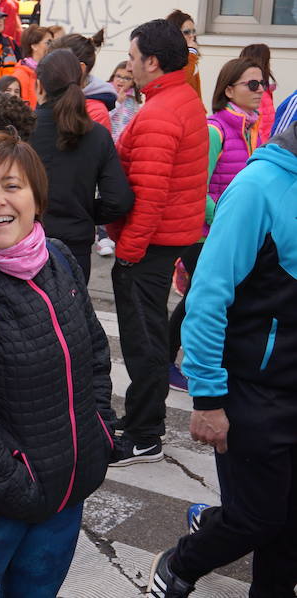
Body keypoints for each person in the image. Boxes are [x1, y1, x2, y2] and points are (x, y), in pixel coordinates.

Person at [0, 131, 115, 598]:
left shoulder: (58, 258)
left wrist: (99, 433)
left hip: (65, 493)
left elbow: (95, 353)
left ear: (37, 196)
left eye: (12, 185)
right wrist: (18, 485)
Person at [148, 129, 297, 598]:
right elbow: (208, 296)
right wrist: (208, 396)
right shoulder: (259, 187)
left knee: (289, 524)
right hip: (255, 386)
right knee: (259, 516)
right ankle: (179, 565)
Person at [107, 19, 208, 467]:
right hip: (171, 235)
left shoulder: (160, 113)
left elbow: (148, 194)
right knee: (150, 335)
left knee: (142, 341)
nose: (128, 66)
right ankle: (141, 422)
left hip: (149, 243)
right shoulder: (180, 97)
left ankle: (145, 434)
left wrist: (127, 252)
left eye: (131, 57)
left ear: (151, 60)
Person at [166, 57, 265, 395]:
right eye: (252, 84)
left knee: (212, 299)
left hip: (229, 234)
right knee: (200, 300)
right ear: (229, 89)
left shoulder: (250, 128)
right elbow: (197, 187)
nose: (260, 90)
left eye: (262, 83)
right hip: (204, 235)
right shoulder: (215, 129)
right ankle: (170, 360)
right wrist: (223, 220)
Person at [28, 49, 133, 282]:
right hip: (74, 247)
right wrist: (84, 210)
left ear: (40, 87)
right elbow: (119, 199)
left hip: (24, 243)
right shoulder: (97, 135)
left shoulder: (23, 131)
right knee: (70, 316)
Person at [49, 30, 113, 131]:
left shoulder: (97, 112)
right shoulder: (47, 95)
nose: (51, 70)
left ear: (80, 68)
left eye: (58, 64)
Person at [239, 44, 275, 143]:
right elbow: (261, 128)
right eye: (267, 62)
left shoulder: (262, 91)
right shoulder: (259, 94)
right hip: (258, 148)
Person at [166, 9, 201, 103]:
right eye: (186, 32)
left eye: (193, 31)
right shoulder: (169, 57)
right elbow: (183, 78)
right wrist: (192, 52)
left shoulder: (189, 56)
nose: (192, 36)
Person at [13, 24, 50, 108]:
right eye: (48, 42)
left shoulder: (49, 71)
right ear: (34, 46)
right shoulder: (21, 74)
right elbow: (21, 108)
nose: (52, 46)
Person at [108, 60, 141, 143]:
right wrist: (118, 103)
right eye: (118, 76)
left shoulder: (133, 100)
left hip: (124, 143)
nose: (121, 80)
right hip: (108, 141)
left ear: (133, 82)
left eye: (127, 78)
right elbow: (103, 117)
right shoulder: (106, 94)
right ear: (113, 77)